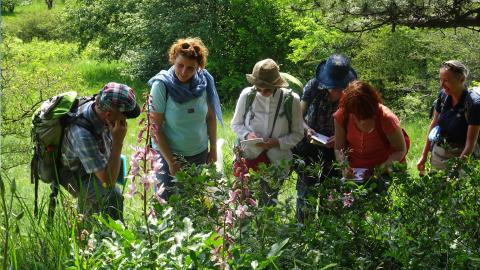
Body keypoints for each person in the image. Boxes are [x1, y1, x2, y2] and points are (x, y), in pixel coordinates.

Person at [148, 37, 223, 200]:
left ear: (199, 67)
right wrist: (171, 162)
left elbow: (210, 117)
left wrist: (214, 149)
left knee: (194, 204)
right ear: (173, 59)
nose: (183, 72)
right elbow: (155, 129)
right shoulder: (161, 86)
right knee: (167, 205)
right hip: (168, 155)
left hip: (199, 154)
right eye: (180, 65)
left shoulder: (204, 82)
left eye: (190, 68)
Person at [60, 82, 141, 220]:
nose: (126, 120)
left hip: (93, 163)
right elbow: (107, 181)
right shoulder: (82, 134)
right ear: (108, 115)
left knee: (93, 214)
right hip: (79, 176)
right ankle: (115, 237)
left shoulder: (100, 107)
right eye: (125, 116)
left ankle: (86, 226)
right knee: (112, 196)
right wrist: (117, 142)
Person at [231, 58, 303, 206]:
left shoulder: (291, 100)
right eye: (259, 88)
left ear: (277, 85)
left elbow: (298, 134)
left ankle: (265, 230)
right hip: (249, 158)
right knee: (244, 204)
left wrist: (278, 142)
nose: (263, 92)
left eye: (268, 89)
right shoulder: (247, 95)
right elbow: (235, 124)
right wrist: (247, 135)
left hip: (277, 162)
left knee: (268, 204)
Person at [294, 54, 357, 223]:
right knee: (306, 189)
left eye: (338, 87)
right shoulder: (313, 86)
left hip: (338, 149)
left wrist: (339, 137)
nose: (334, 90)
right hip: (310, 145)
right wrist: (307, 129)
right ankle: (303, 230)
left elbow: (356, 124)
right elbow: (298, 117)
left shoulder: (353, 92)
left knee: (332, 192)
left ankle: (326, 234)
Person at [333, 80, 407, 183]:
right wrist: (344, 166)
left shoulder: (387, 118)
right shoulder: (342, 116)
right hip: (354, 175)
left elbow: (400, 150)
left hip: (384, 173)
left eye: (365, 116)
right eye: (357, 116)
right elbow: (338, 148)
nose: (362, 121)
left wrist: (378, 171)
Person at [417, 60, 480, 171]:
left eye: (446, 80)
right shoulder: (443, 96)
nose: (442, 84)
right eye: (440, 79)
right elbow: (433, 124)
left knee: (455, 187)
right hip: (439, 153)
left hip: (461, 156)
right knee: (435, 186)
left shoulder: (473, 104)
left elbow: (470, 144)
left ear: (461, 80)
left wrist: (456, 170)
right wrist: (424, 155)